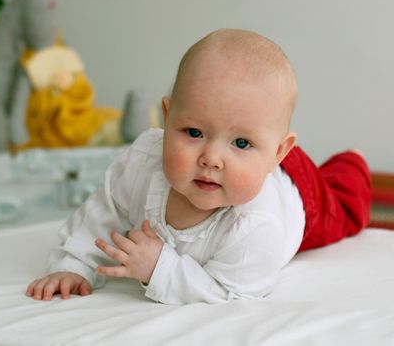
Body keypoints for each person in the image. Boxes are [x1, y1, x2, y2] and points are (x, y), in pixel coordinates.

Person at [25, 28, 371, 304]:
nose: (211, 158)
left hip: (300, 195)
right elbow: (102, 213)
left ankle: (353, 161)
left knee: (343, 206)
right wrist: (74, 266)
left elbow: (228, 290)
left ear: (278, 151)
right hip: (257, 160)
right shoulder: (144, 162)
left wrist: (158, 269)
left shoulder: (257, 226)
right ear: (166, 118)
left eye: (239, 143)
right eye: (193, 132)